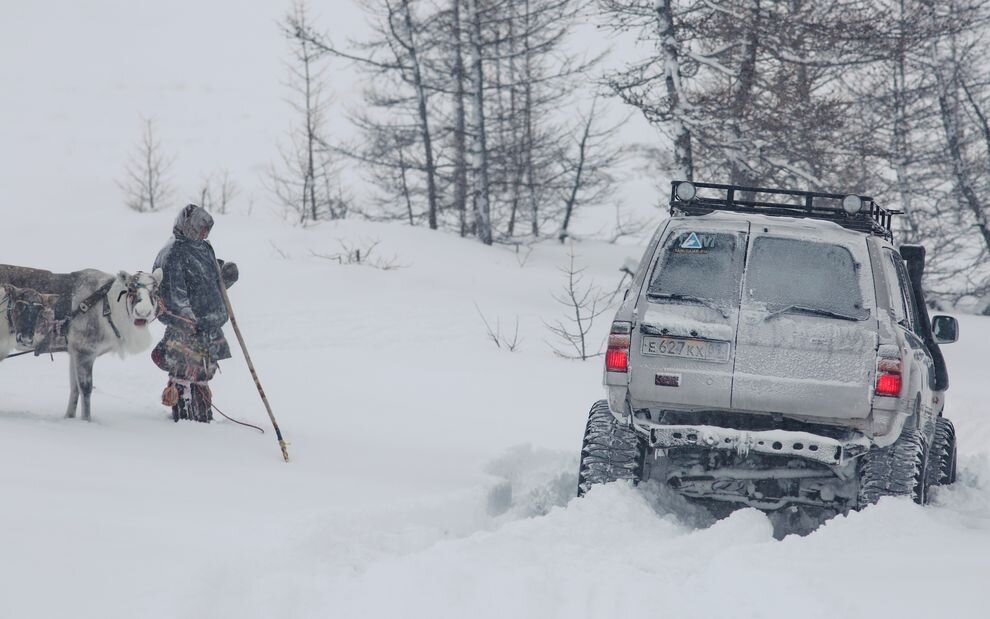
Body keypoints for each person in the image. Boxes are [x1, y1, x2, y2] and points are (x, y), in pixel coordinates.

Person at [152, 204, 239, 422]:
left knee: (203, 373)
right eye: (198, 229)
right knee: (184, 372)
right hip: (188, 329)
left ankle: (202, 416)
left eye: (205, 230)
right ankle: (185, 419)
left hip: (208, 325)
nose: (202, 234)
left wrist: (225, 275)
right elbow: (174, 294)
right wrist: (188, 321)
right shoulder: (173, 252)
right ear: (186, 225)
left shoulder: (203, 248)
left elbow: (207, 281)